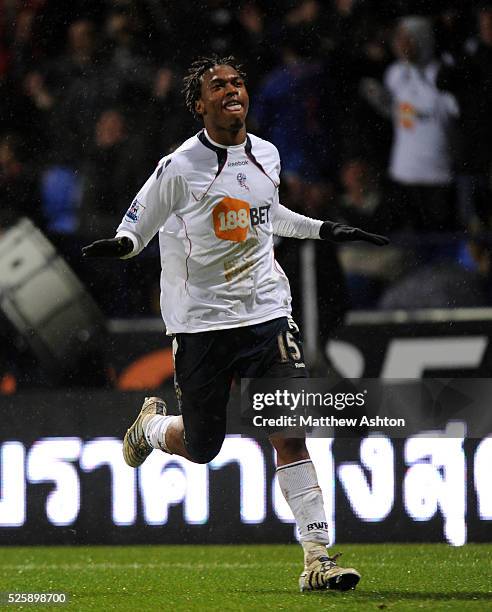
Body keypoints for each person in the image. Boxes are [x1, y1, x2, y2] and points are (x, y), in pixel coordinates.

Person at [82, 55, 388, 593]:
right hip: (200, 324)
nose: (232, 90)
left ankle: (317, 557)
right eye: (217, 85)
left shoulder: (266, 154)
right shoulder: (178, 167)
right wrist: (121, 247)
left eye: (238, 82)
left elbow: (268, 217)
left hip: (266, 314)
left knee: (289, 431)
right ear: (198, 104)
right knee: (203, 446)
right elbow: (138, 224)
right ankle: (152, 428)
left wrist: (326, 230)